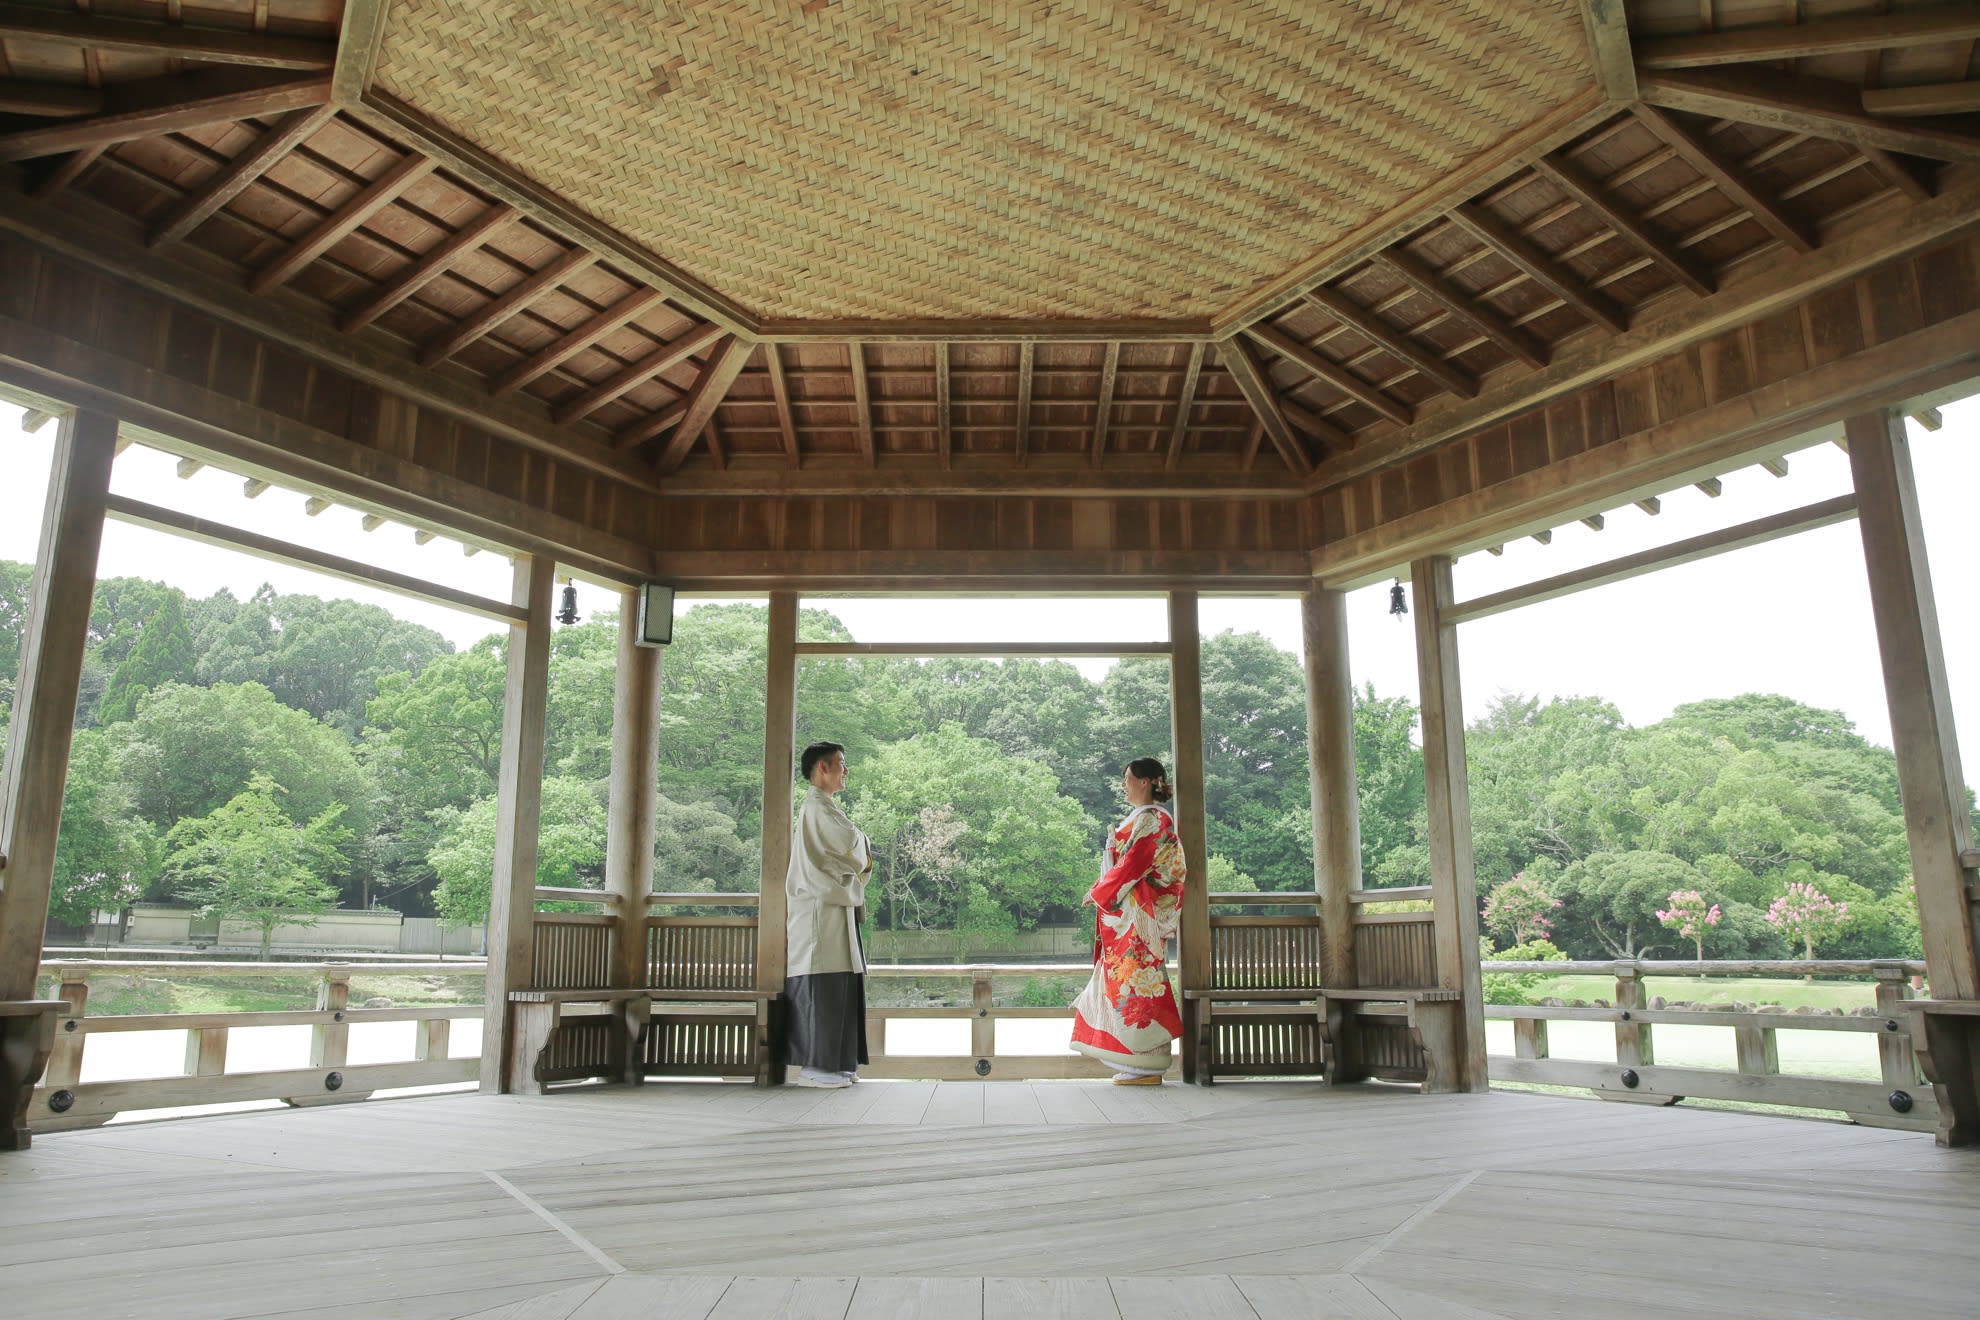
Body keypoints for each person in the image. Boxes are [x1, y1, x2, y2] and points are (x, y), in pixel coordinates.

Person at [1070, 757, 1186, 1084]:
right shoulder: (1145, 818)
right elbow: (1126, 865)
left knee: (1138, 985)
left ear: (1146, 782)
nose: (1124, 785)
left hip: (1138, 916)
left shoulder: (1154, 819)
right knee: (1127, 984)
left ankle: (1147, 1064)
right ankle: (1139, 1063)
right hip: (1129, 914)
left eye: (1128, 779)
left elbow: (1133, 865)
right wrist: (1101, 889)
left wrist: (1098, 891)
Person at [783, 741, 871, 1088]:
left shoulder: (822, 808)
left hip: (831, 908)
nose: (846, 771)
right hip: (819, 911)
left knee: (839, 982)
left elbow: (848, 850)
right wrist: (864, 841)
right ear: (822, 768)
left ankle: (836, 1063)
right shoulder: (817, 808)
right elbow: (851, 844)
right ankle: (815, 1066)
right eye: (841, 763)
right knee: (822, 985)